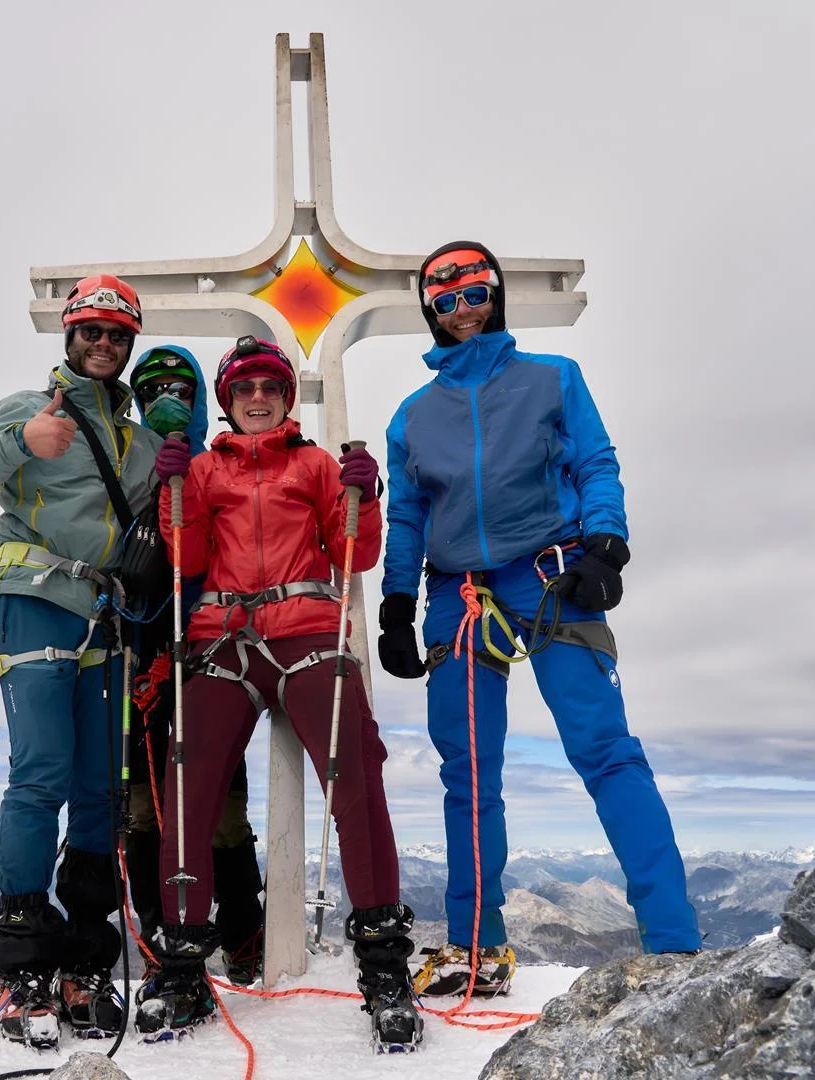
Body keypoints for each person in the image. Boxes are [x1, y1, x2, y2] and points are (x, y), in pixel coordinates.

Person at [379, 241, 701, 998]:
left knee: (606, 751)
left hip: (555, 578)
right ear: (431, 311)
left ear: (496, 295)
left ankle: (675, 944)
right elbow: (407, 514)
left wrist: (607, 543)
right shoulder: (414, 416)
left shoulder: (554, 379)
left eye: (475, 293)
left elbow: (596, 462)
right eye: (447, 300)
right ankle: (475, 945)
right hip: (457, 593)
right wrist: (395, 603)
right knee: (468, 773)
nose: (463, 310)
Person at [135, 336, 423, 1052]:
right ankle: (182, 967)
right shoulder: (202, 470)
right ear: (228, 401)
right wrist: (174, 493)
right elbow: (187, 558)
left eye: (269, 386)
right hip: (222, 631)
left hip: (304, 627)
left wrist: (364, 494)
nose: (257, 397)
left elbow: (356, 548)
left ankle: (384, 963)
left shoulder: (316, 464)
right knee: (187, 783)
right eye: (243, 388)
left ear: (285, 398)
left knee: (355, 773)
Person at [0, 274, 162, 1045]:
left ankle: (86, 958)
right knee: (40, 776)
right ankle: (24, 963)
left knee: (100, 789)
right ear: (69, 336)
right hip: (34, 597)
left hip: (106, 616)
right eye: (91, 331)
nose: (102, 344)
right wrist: (19, 442)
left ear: (130, 343)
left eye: (116, 334)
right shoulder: (28, 410)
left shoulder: (141, 441)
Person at [124, 345, 265, 985]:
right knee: (144, 805)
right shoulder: (124, 465)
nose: (168, 400)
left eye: (181, 388)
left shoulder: (218, 468)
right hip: (136, 654)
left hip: (210, 650)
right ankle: (162, 939)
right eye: (153, 388)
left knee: (222, 805)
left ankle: (242, 934)